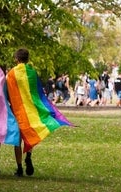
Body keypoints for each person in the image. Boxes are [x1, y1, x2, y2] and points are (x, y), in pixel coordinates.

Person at [6, 48, 74, 177]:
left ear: (16, 59)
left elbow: (8, 91)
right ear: (28, 59)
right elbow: (38, 92)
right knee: (30, 133)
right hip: (31, 110)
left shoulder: (11, 74)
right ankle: (29, 156)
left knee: (18, 139)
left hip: (18, 110)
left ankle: (19, 168)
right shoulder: (32, 73)